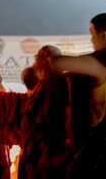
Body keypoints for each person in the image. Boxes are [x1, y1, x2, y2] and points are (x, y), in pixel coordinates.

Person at [51, 12, 106, 178]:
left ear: (103, 35)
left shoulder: (102, 62)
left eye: (92, 34)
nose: (91, 40)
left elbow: (57, 63)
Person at [18, 45, 72, 179]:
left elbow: (52, 120)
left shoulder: (54, 84)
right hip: (35, 154)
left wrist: (48, 155)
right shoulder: (42, 84)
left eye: (37, 57)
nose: (34, 62)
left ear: (46, 60)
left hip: (45, 157)